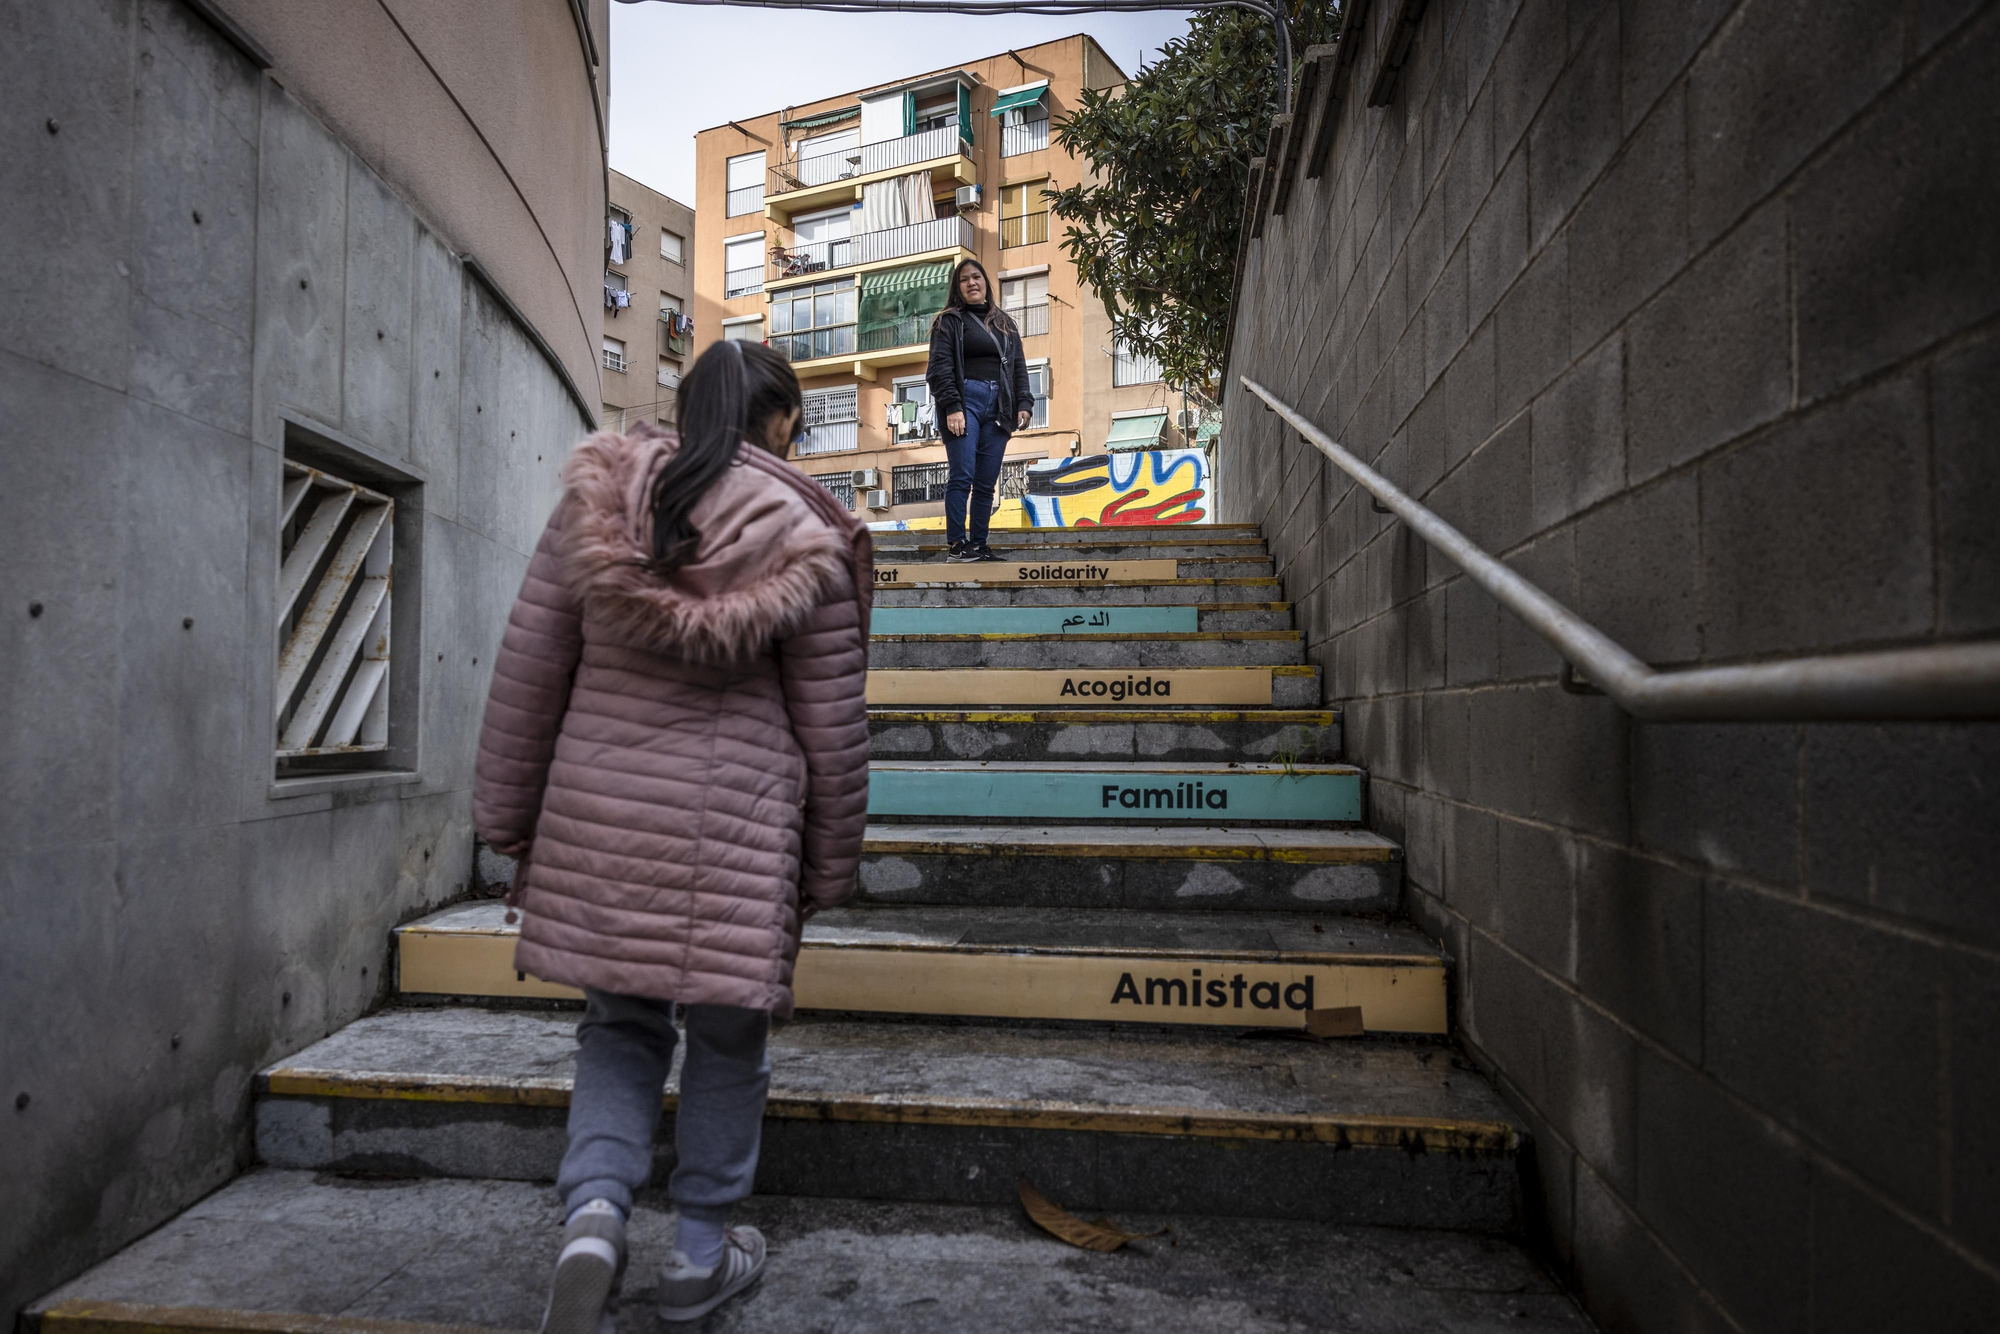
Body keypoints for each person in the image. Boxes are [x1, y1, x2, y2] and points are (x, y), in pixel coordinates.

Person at [472, 339, 873, 1331]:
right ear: (782, 421)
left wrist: (507, 818)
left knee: (619, 1028)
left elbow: (529, 672)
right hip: (739, 834)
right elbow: (831, 728)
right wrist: (827, 868)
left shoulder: (601, 501)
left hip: (602, 817)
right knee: (730, 1039)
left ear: (686, 409)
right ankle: (697, 1254)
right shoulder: (808, 536)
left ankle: (594, 1222)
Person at [924, 257, 1034, 562]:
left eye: (976, 277)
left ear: (986, 282)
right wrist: (952, 406)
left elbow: (1018, 366)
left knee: (987, 482)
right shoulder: (949, 321)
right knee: (962, 474)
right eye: (964, 279)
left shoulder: (1005, 323)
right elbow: (938, 368)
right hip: (965, 401)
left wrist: (1024, 402)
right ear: (957, 288)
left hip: (1000, 406)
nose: (971, 283)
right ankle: (957, 545)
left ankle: (979, 545)